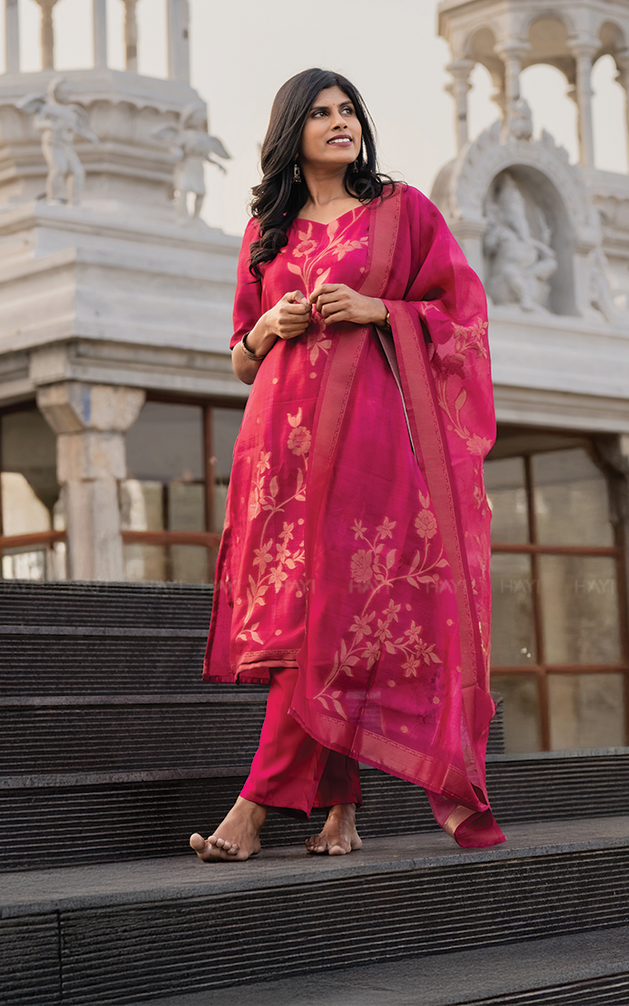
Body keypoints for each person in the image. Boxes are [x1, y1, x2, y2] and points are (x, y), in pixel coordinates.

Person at [190, 68, 504, 863]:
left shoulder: (402, 213)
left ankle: (252, 809)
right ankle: (340, 808)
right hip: (280, 455)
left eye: (349, 110)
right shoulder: (270, 229)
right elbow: (236, 356)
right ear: (291, 131)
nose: (341, 122)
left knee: (324, 616)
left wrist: (379, 310)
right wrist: (269, 325)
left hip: (367, 447)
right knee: (310, 624)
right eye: (322, 113)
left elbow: (463, 315)